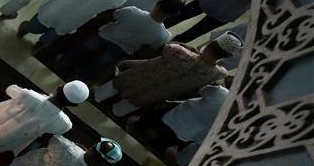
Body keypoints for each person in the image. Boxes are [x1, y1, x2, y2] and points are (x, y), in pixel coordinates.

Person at [97, 33, 240, 115]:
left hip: (137, 77)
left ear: (210, 43)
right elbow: (208, 65)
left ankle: (96, 98)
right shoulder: (218, 73)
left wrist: (191, 49)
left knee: (113, 86)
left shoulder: (178, 51)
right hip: (156, 93)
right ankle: (113, 114)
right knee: (129, 105)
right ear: (226, 57)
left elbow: (170, 45)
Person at [54, 0, 185, 80]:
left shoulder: (132, 11)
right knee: (98, 64)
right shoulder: (163, 35)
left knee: (82, 48)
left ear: (158, 2)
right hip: (120, 50)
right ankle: (78, 76)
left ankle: (63, 62)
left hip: (103, 36)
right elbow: (147, 51)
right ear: (175, 14)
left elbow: (110, 17)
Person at [0, 80, 89, 158]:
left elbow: (10, 89)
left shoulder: (29, 95)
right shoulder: (64, 124)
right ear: (74, 105)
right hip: (5, 141)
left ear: (59, 87)